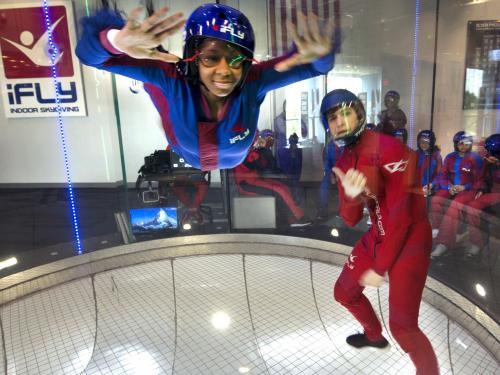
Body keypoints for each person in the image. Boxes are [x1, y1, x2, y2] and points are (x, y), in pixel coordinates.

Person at [75, 4, 335, 171]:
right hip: (186, 145)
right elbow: (90, 56)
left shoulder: (254, 80)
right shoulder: (173, 77)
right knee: (156, 78)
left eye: (235, 59)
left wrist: (320, 54)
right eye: (211, 58)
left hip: (226, 153)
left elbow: (316, 67)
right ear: (194, 57)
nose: (224, 70)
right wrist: (115, 41)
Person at [321, 89, 439, 375]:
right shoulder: (345, 160)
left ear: (360, 113)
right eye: (332, 117)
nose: (339, 121)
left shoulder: (392, 149)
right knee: (343, 292)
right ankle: (373, 336)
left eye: (345, 112)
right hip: (379, 234)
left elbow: (403, 218)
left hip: (411, 239)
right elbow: (350, 219)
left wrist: (380, 267)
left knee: (403, 328)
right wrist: (350, 196)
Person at [233, 134, 312, 227]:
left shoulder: (249, 148)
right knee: (279, 190)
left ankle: (290, 218)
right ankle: (297, 217)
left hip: (253, 179)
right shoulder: (241, 148)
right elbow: (253, 164)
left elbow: (263, 165)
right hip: (245, 184)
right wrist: (260, 149)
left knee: (283, 187)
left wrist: (262, 149)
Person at [431, 131, 483, 257]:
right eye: (461, 144)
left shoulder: (475, 158)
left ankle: (444, 243)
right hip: (451, 187)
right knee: (436, 200)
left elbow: (479, 180)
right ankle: (437, 230)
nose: (463, 146)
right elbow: (442, 175)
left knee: (454, 206)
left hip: (468, 190)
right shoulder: (450, 157)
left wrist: (464, 187)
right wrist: (449, 187)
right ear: (456, 144)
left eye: (466, 144)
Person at [465, 133, 500, 257]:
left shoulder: (493, 161)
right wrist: (481, 189)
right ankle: (477, 242)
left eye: (491, 152)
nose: (488, 154)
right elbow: (482, 178)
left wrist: (497, 165)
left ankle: (479, 243)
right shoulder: (487, 161)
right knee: (471, 208)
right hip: (489, 193)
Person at [275, 100, 308, 170]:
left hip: (296, 148)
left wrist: (298, 122)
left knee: (297, 171)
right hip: (284, 149)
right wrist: (296, 126)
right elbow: (285, 131)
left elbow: (304, 132)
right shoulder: (279, 119)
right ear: (284, 108)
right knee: (286, 171)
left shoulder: (297, 118)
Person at [316, 131, 342, 220]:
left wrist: (340, 174)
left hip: (345, 171)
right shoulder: (329, 147)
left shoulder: (346, 145)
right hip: (333, 170)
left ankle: (342, 210)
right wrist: (331, 174)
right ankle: (323, 210)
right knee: (324, 184)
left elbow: (350, 161)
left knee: (343, 185)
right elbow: (327, 163)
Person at [416, 130, 442, 196]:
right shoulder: (416, 154)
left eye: (427, 142)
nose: (423, 144)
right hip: (417, 188)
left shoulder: (436, 156)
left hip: (430, 188)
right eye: (421, 141)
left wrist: (432, 185)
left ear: (432, 143)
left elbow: (439, 174)